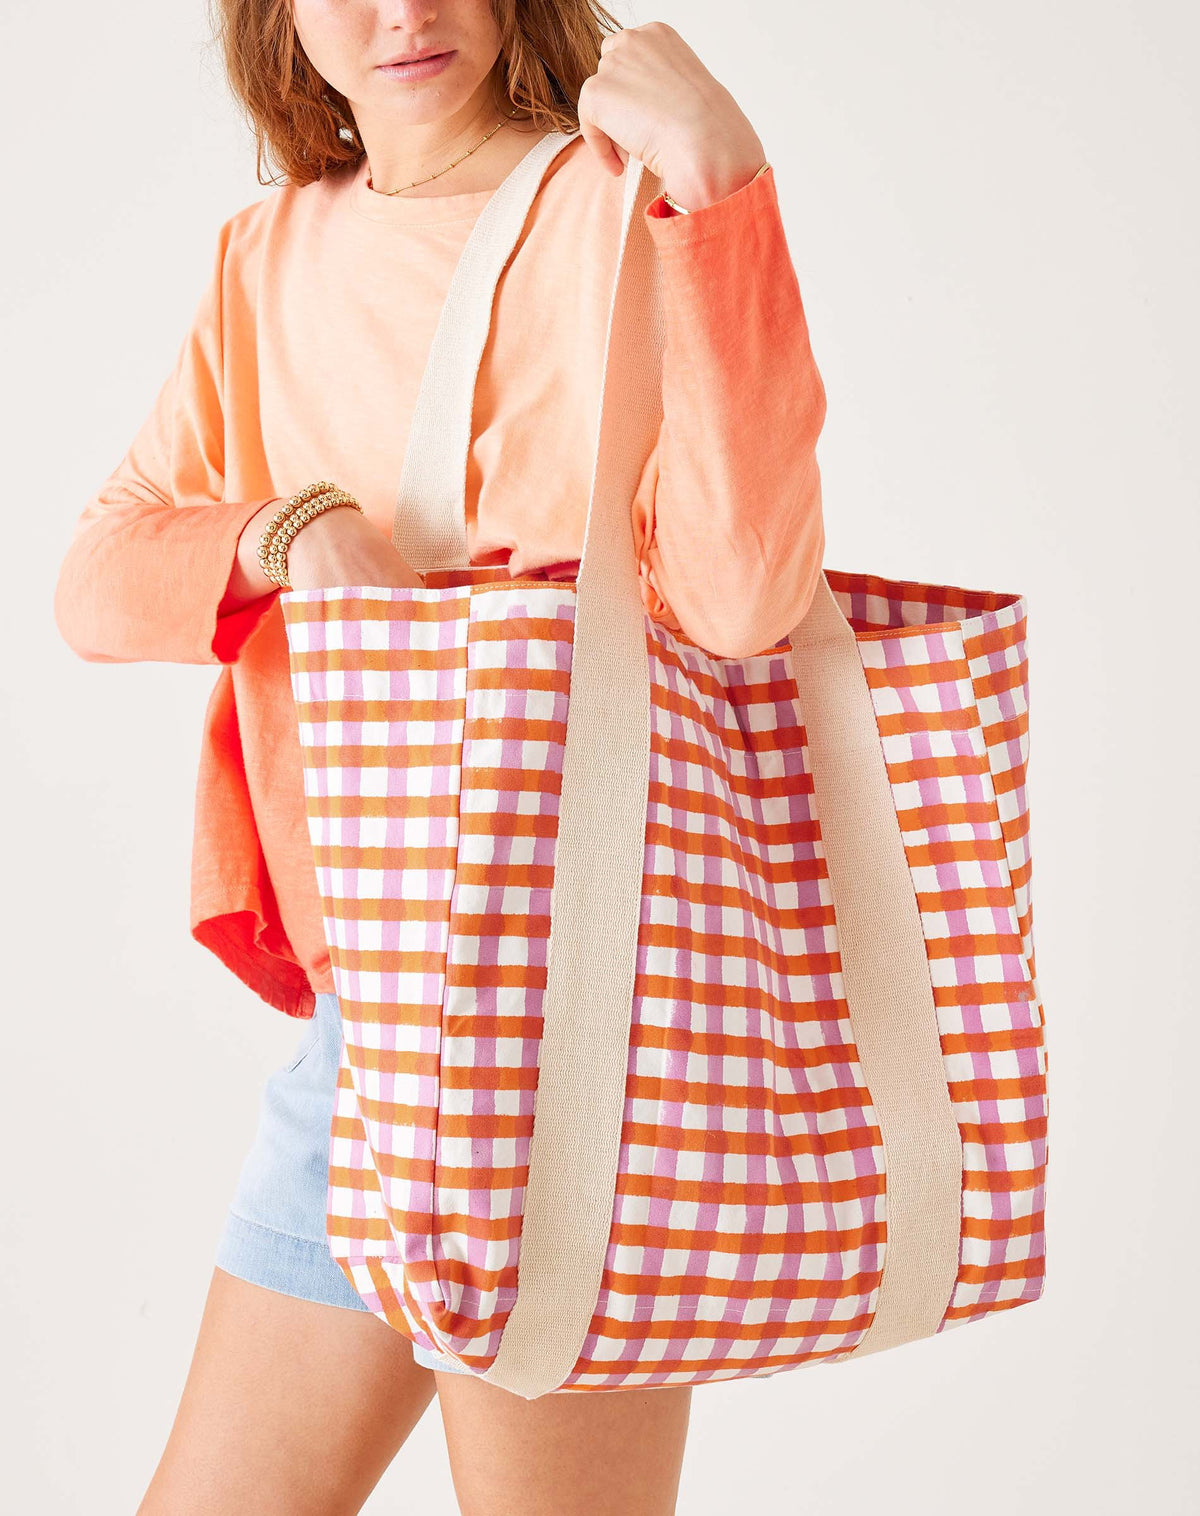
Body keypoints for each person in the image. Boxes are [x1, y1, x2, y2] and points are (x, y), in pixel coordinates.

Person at [53, 3, 827, 1512]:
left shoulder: (624, 210)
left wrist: (721, 177)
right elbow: (97, 579)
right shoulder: (265, 255)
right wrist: (285, 528)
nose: (401, 11)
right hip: (373, 1027)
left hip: (568, 1016)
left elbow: (743, 598)